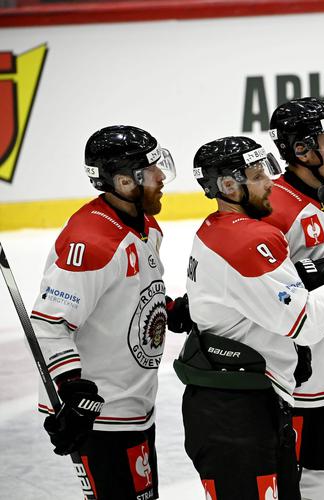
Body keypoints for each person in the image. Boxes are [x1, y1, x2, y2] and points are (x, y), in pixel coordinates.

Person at [176, 136, 324, 500]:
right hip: (235, 415)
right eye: (259, 176)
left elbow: (267, 300)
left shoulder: (216, 228)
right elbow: (305, 323)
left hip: (241, 400)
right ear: (229, 186)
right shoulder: (250, 239)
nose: (270, 185)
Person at [31, 125, 189, 500]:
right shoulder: (92, 241)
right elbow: (50, 325)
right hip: (100, 413)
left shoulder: (146, 226)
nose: (162, 177)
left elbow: (130, 295)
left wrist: (168, 311)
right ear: (123, 181)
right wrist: (72, 391)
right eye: (152, 170)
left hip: (134, 401)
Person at [264, 97, 324, 500]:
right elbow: (267, 289)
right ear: (302, 150)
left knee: (323, 484)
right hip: (292, 381)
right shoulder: (273, 208)